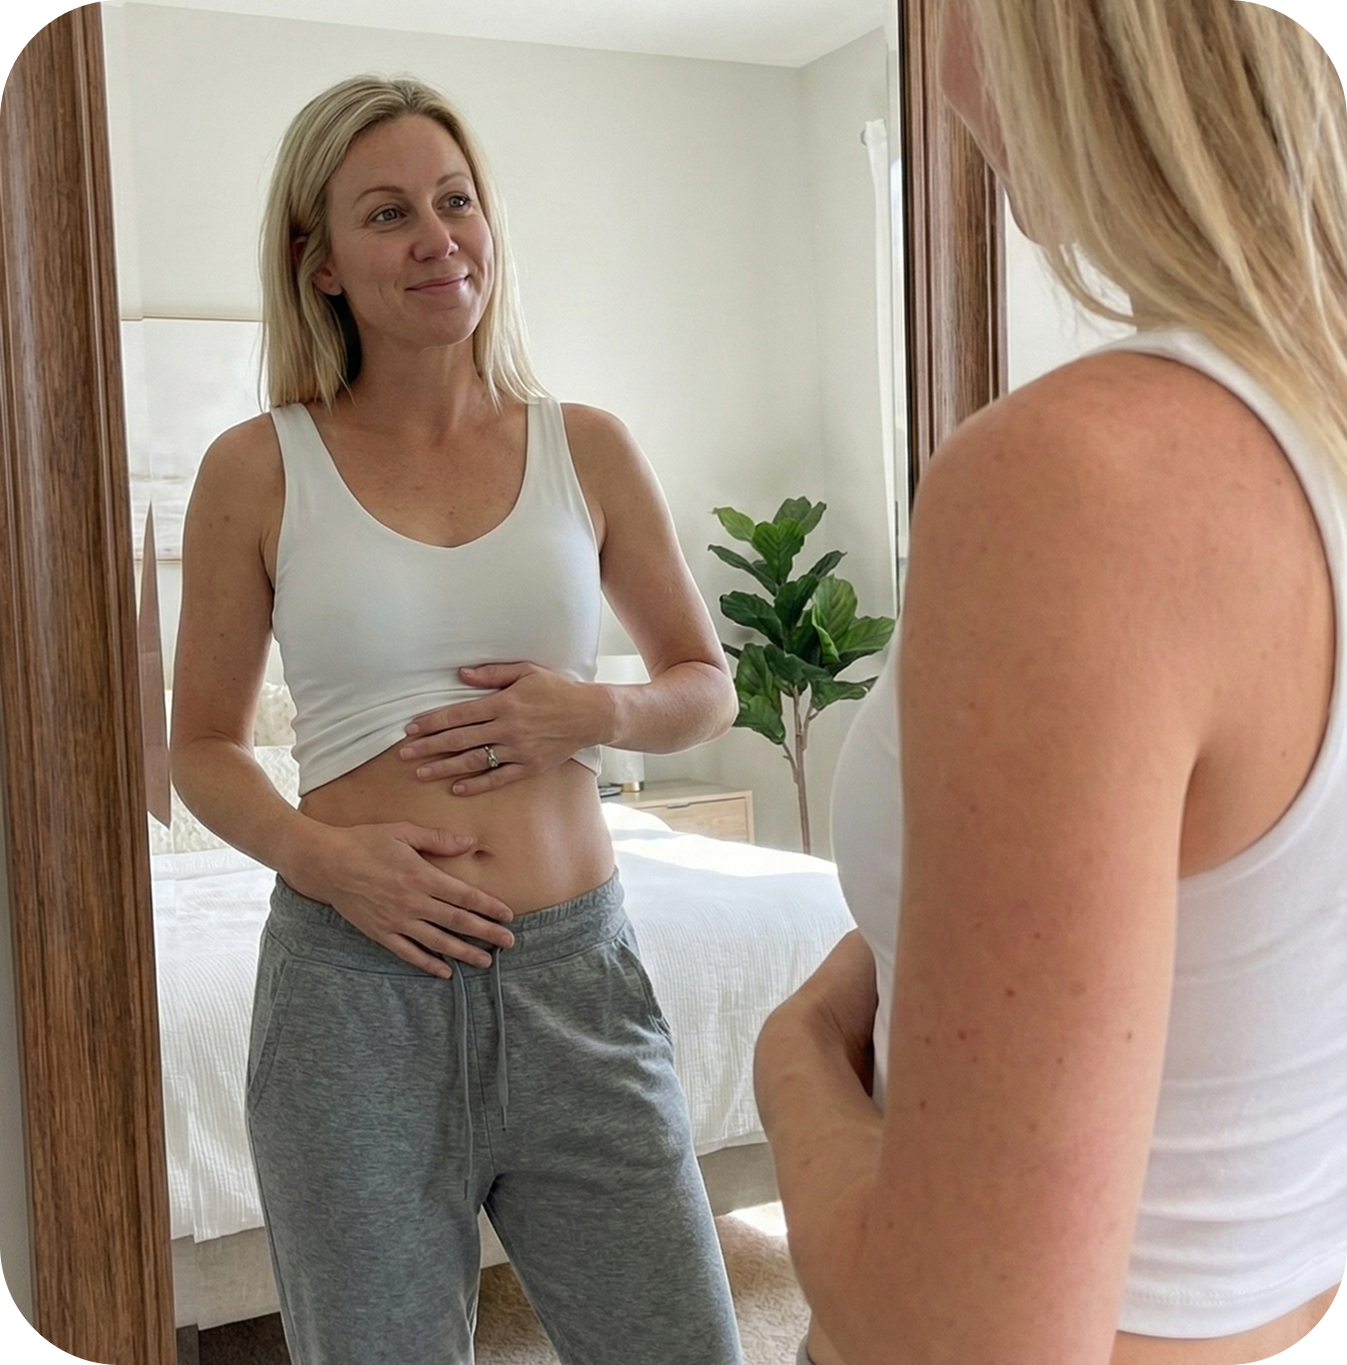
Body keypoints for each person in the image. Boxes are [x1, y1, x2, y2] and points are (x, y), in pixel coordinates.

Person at [754, 3, 1346, 1363]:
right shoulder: (1302, 425)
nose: (945, 63)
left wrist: (787, 1060)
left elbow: (956, 1343)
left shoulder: (1081, 482)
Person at [169, 74, 744, 1365]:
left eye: (456, 200)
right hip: (353, 998)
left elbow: (704, 683)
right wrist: (323, 860)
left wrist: (588, 711)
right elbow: (200, 745)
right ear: (320, 262)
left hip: (577, 983)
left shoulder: (588, 446)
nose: (438, 238)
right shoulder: (257, 467)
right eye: (388, 213)